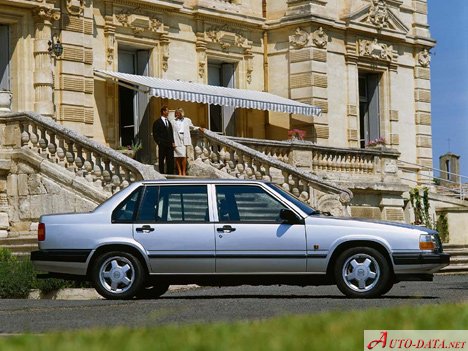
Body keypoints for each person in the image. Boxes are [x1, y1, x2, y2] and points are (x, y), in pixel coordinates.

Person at [152, 105, 175, 174]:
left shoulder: (169, 122)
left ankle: (170, 173)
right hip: (162, 144)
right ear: (163, 111)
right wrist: (159, 142)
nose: (168, 112)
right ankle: (161, 173)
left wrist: (173, 142)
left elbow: (171, 133)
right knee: (161, 160)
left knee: (170, 160)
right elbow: (155, 134)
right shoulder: (157, 122)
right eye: (167, 111)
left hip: (170, 145)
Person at [171, 108, 194, 176]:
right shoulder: (172, 121)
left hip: (184, 138)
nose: (176, 114)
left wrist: (199, 128)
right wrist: (172, 141)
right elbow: (170, 131)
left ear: (181, 113)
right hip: (176, 138)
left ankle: (183, 171)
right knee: (177, 156)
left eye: (178, 113)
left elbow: (192, 127)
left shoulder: (187, 120)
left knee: (183, 156)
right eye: (176, 113)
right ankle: (179, 172)